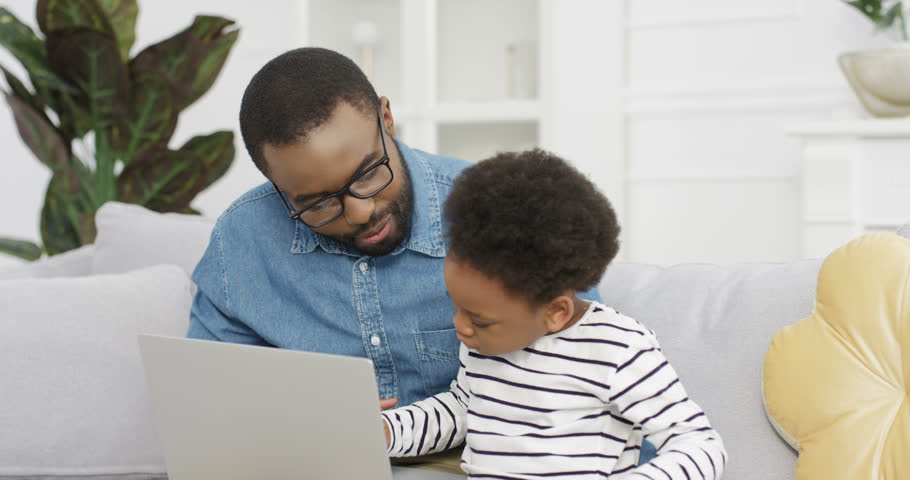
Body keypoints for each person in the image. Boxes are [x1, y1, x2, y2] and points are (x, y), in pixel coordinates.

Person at [186, 48, 603, 427]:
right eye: (318, 203)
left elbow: (590, 385)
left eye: (368, 174)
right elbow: (209, 412)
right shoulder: (240, 243)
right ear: (276, 186)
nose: (361, 213)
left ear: (386, 118)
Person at [382, 150, 727, 479]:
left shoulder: (616, 348)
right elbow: (460, 408)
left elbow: (698, 446)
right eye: (455, 306)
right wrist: (387, 431)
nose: (460, 327)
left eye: (479, 319)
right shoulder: (484, 345)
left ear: (556, 312)